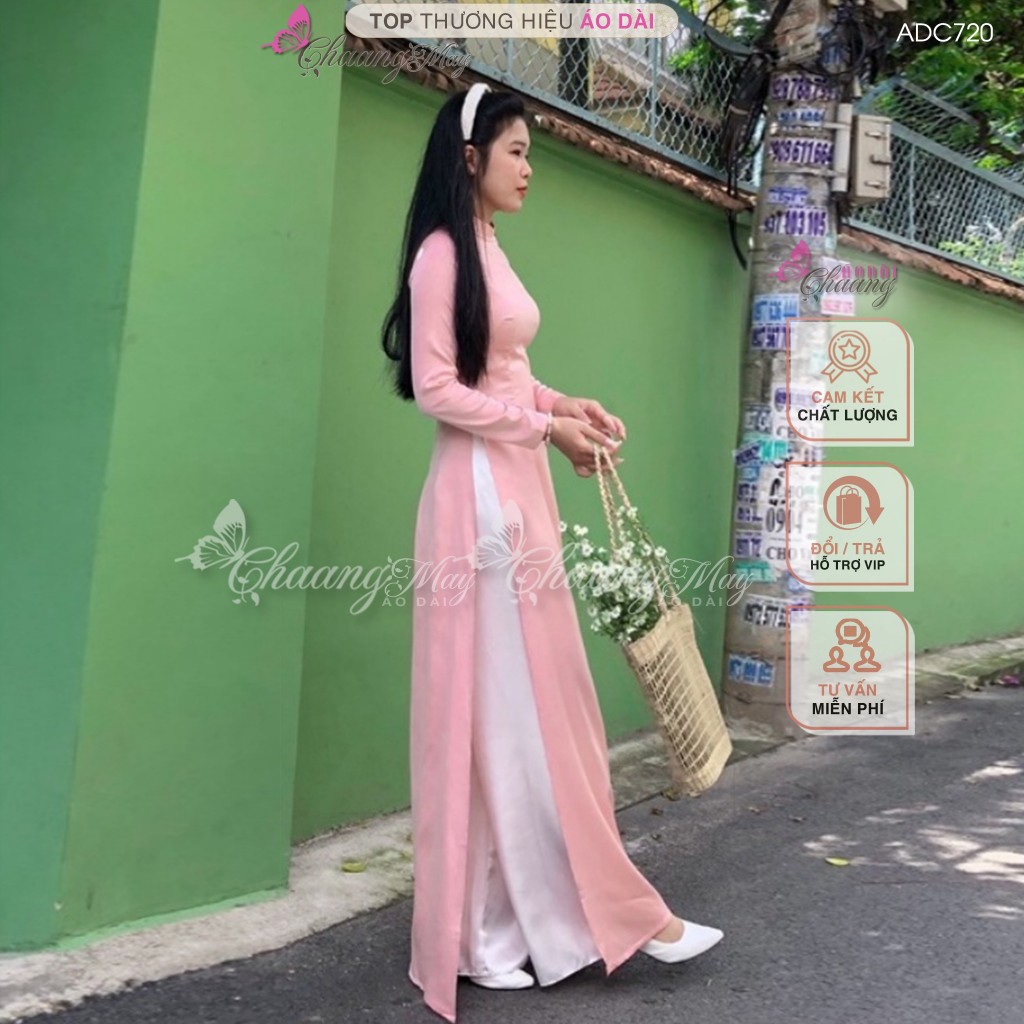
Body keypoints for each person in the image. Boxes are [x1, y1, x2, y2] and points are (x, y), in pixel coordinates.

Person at [380, 82, 724, 1024]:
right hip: (479, 507)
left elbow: (507, 373)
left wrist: (565, 407)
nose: (530, 168)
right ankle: (532, 927)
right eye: (518, 152)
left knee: (530, 713)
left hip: (516, 490)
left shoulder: (489, 245)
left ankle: (508, 931)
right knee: (509, 718)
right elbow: (437, 387)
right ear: (471, 159)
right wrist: (544, 431)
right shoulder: (442, 254)